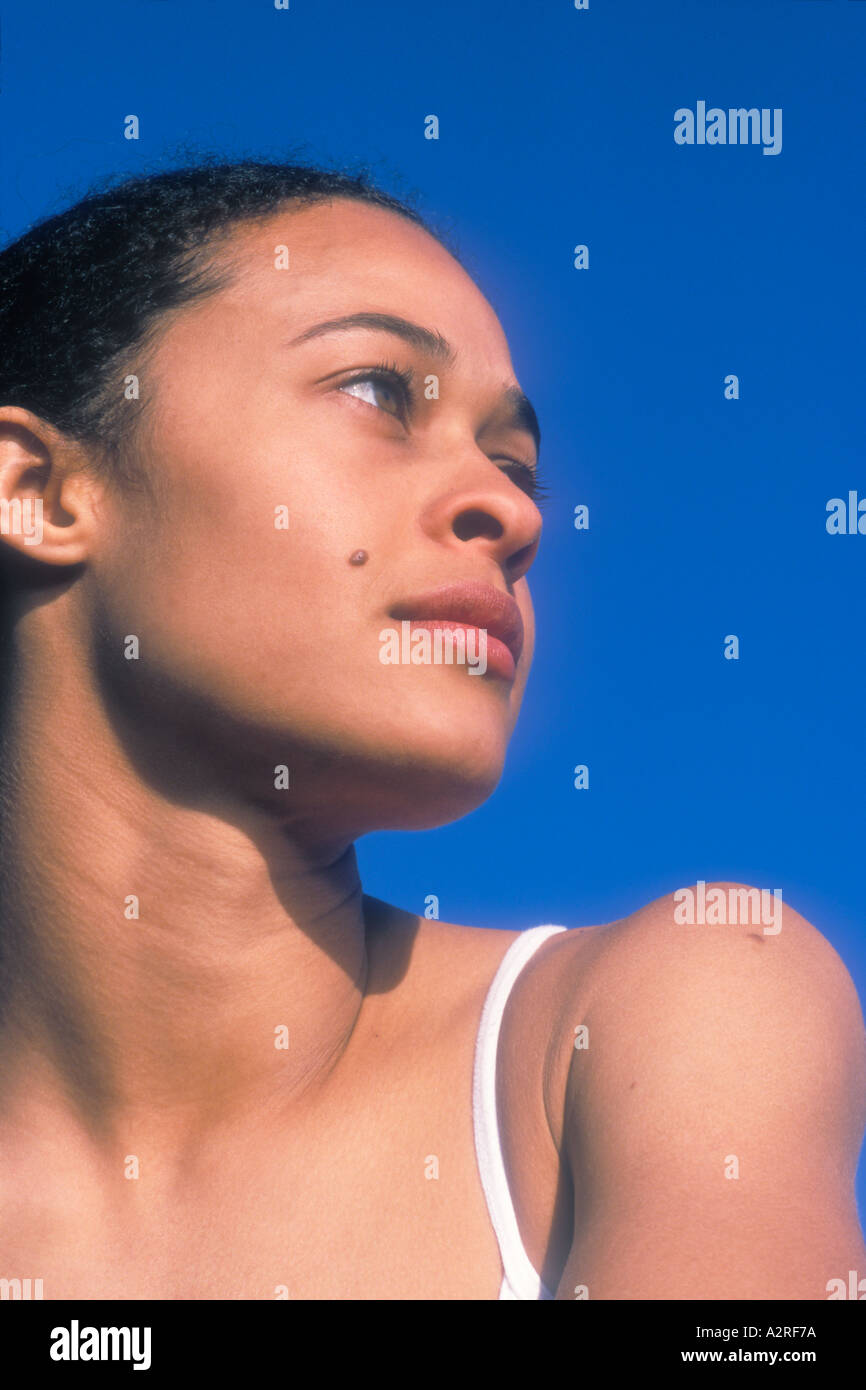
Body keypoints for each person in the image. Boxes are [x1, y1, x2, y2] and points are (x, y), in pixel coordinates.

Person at [0, 159, 863, 1301]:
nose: (510, 513)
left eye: (514, 466)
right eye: (377, 391)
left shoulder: (654, 1026)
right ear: (38, 491)